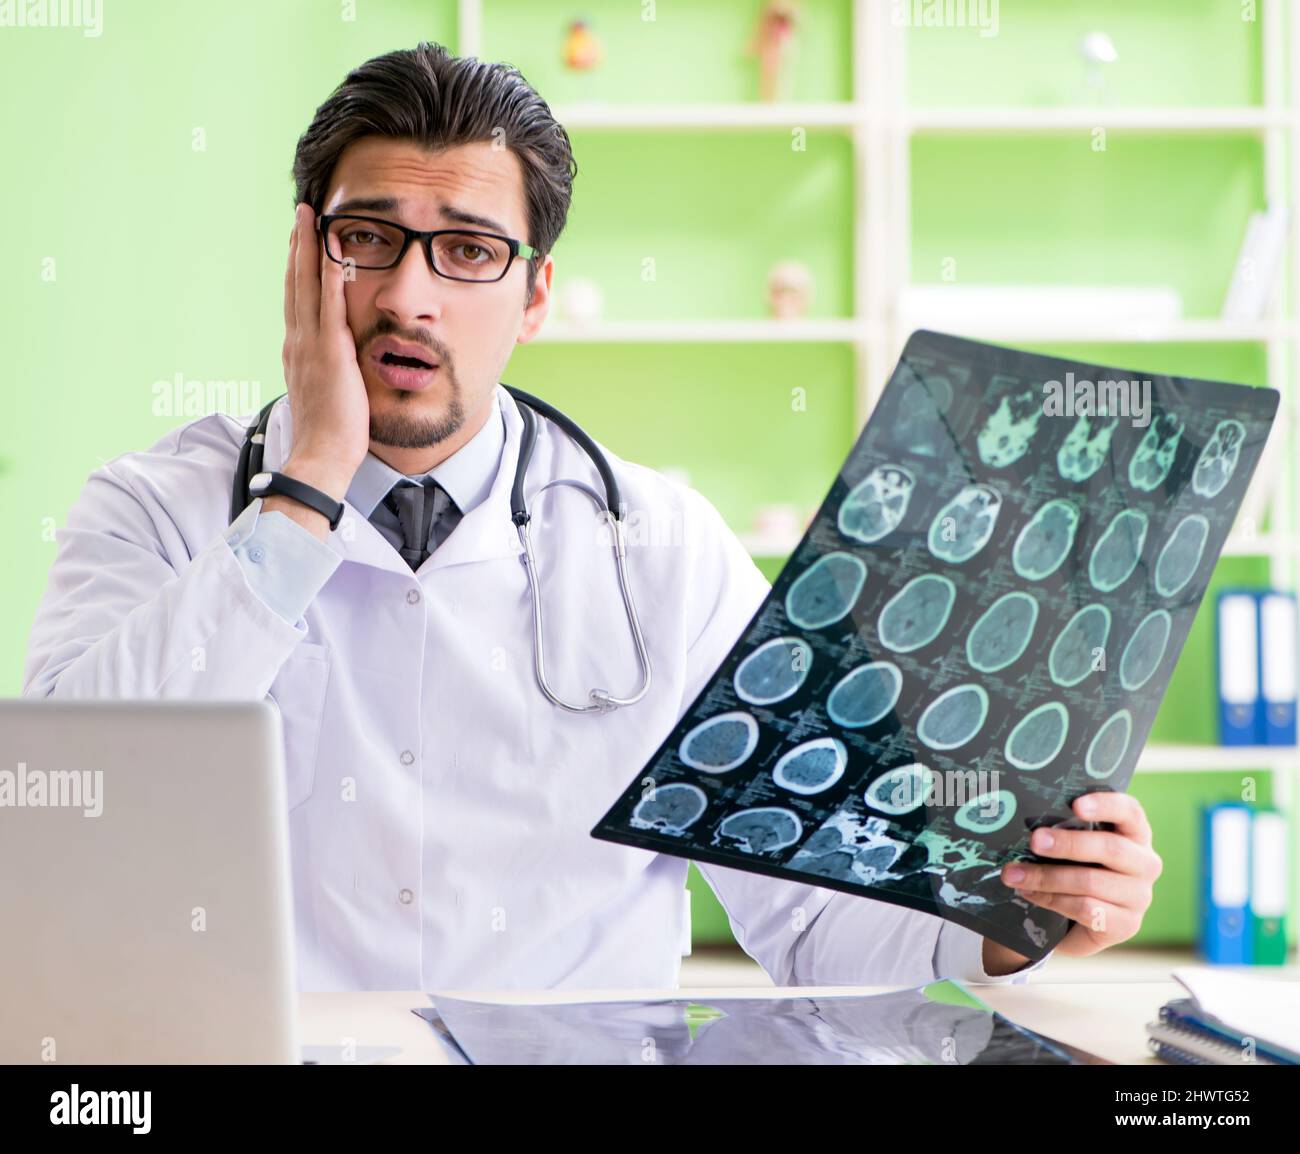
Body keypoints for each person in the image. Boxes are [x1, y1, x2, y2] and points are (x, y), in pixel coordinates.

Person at [22, 42, 1160, 992]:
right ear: (304, 258)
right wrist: (306, 488)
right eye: (367, 238)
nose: (408, 296)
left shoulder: (664, 550)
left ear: (535, 296)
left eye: (467, 250)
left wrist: (1013, 920)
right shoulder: (158, 511)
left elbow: (820, 931)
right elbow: (62, 836)